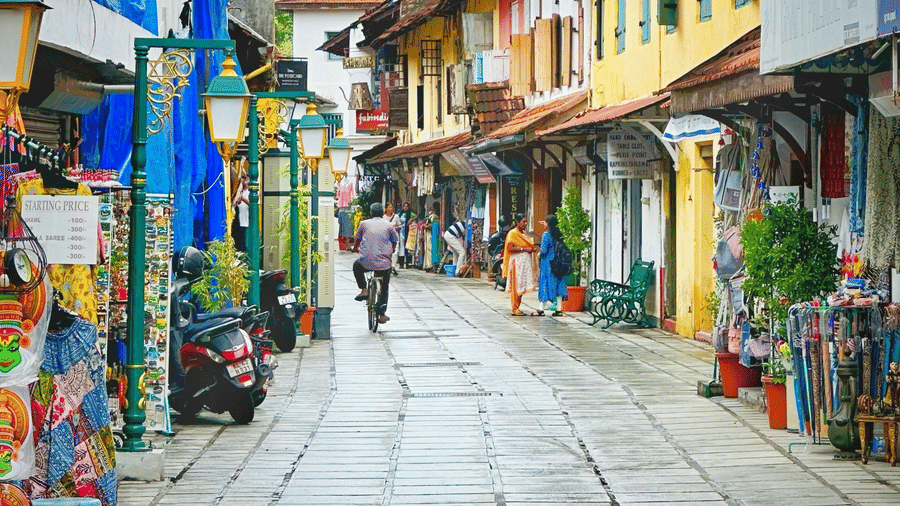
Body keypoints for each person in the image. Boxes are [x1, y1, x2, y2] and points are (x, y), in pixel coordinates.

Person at [352, 203, 398, 324]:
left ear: (371, 213)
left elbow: (358, 239)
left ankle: (364, 289)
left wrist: (355, 248)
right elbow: (394, 241)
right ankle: (381, 314)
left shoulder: (364, 224)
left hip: (366, 261)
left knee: (357, 266)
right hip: (384, 263)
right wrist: (391, 250)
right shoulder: (389, 225)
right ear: (383, 212)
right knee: (384, 286)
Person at [503, 213, 538, 316]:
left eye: (526, 222)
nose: (525, 224)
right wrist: (525, 249)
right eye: (523, 222)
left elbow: (528, 244)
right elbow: (510, 248)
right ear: (517, 222)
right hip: (516, 263)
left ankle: (518, 306)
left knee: (521, 286)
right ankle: (514, 308)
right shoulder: (512, 233)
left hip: (524, 263)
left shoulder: (524, 233)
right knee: (516, 285)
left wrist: (531, 249)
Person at [537, 214, 568, 316]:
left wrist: (539, 254)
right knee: (559, 284)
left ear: (548, 223)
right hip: (559, 262)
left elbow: (544, 250)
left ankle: (541, 308)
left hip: (548, 263)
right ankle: (559, 309)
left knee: (545, 284)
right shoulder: (559, 234)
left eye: (545, 222)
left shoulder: (546, 235)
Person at [232, 175, 249, 252]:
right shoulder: (242, 191)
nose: (244, 179)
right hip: (240, 222)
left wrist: (242, 198)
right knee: (240, 244)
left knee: (246, 244)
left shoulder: (250, 192)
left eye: (246, 178)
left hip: (247, 223)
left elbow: (252, 203)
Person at [383, 202, 402, 275]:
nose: (391, 209)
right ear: (386, 209)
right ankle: (387, 266)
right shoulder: (383, 217)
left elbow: (400, 226)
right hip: (386, 236)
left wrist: (396, 228)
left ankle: (393, 267)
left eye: (392, 207)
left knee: (395, 251)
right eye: (389, 207)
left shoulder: (396, 216)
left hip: (394, 235)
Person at [398, 202, 415, 268]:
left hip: (408, 231)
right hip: (401, 232)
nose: (405, 208)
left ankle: (408, 263)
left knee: (407, 247)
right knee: (401, 247)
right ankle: (401, 263)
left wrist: (411, 219)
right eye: (404, 206)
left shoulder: (410, 213)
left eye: (407, 206)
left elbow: (416, 216)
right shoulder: (400, 213)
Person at [425, 202, 441, 272]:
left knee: (433, 248)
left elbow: (428, 225)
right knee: (437, 248)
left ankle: (433, 265)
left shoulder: (433, 216)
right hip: (437, 232)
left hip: (434, 233)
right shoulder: (439, 216)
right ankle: (435, 265)